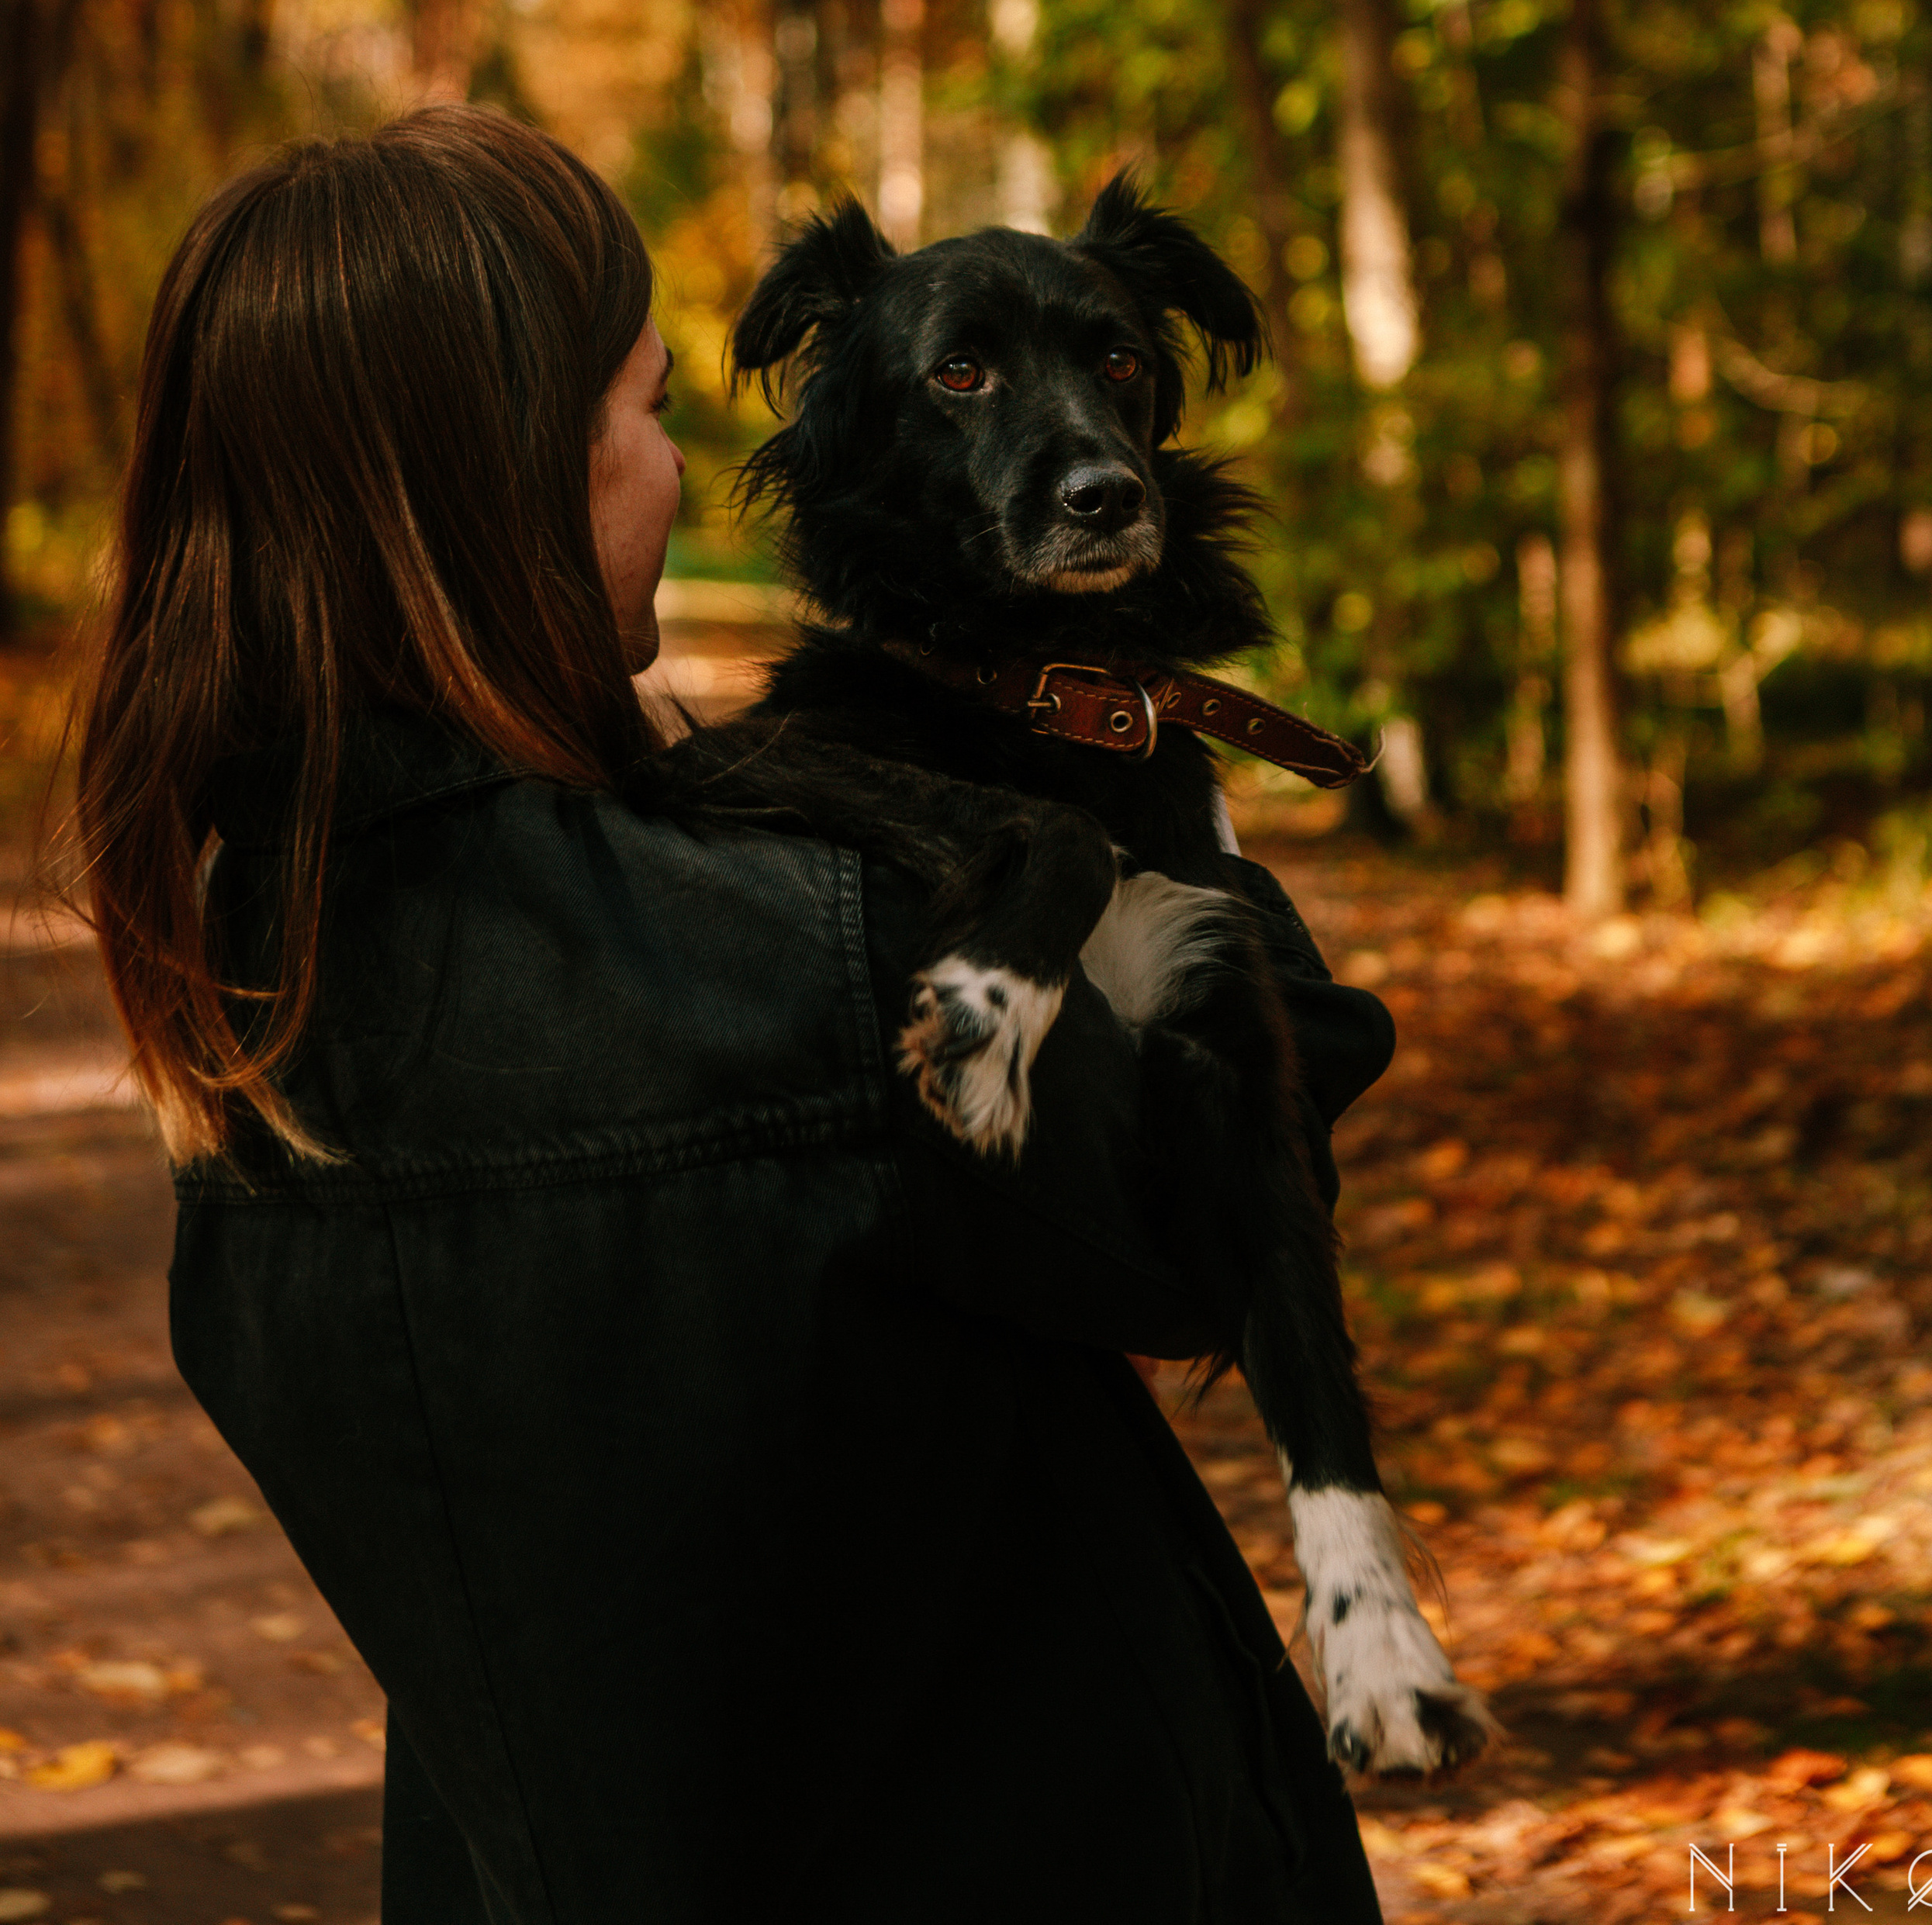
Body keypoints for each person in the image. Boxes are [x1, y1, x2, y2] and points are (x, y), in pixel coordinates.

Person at [76, 104, 1395, 1923]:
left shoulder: (241, 1021)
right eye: (652, 411)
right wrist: (1200, 868)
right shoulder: (818, 963)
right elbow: (1193, 1226)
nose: (679, 471)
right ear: (500, 475)